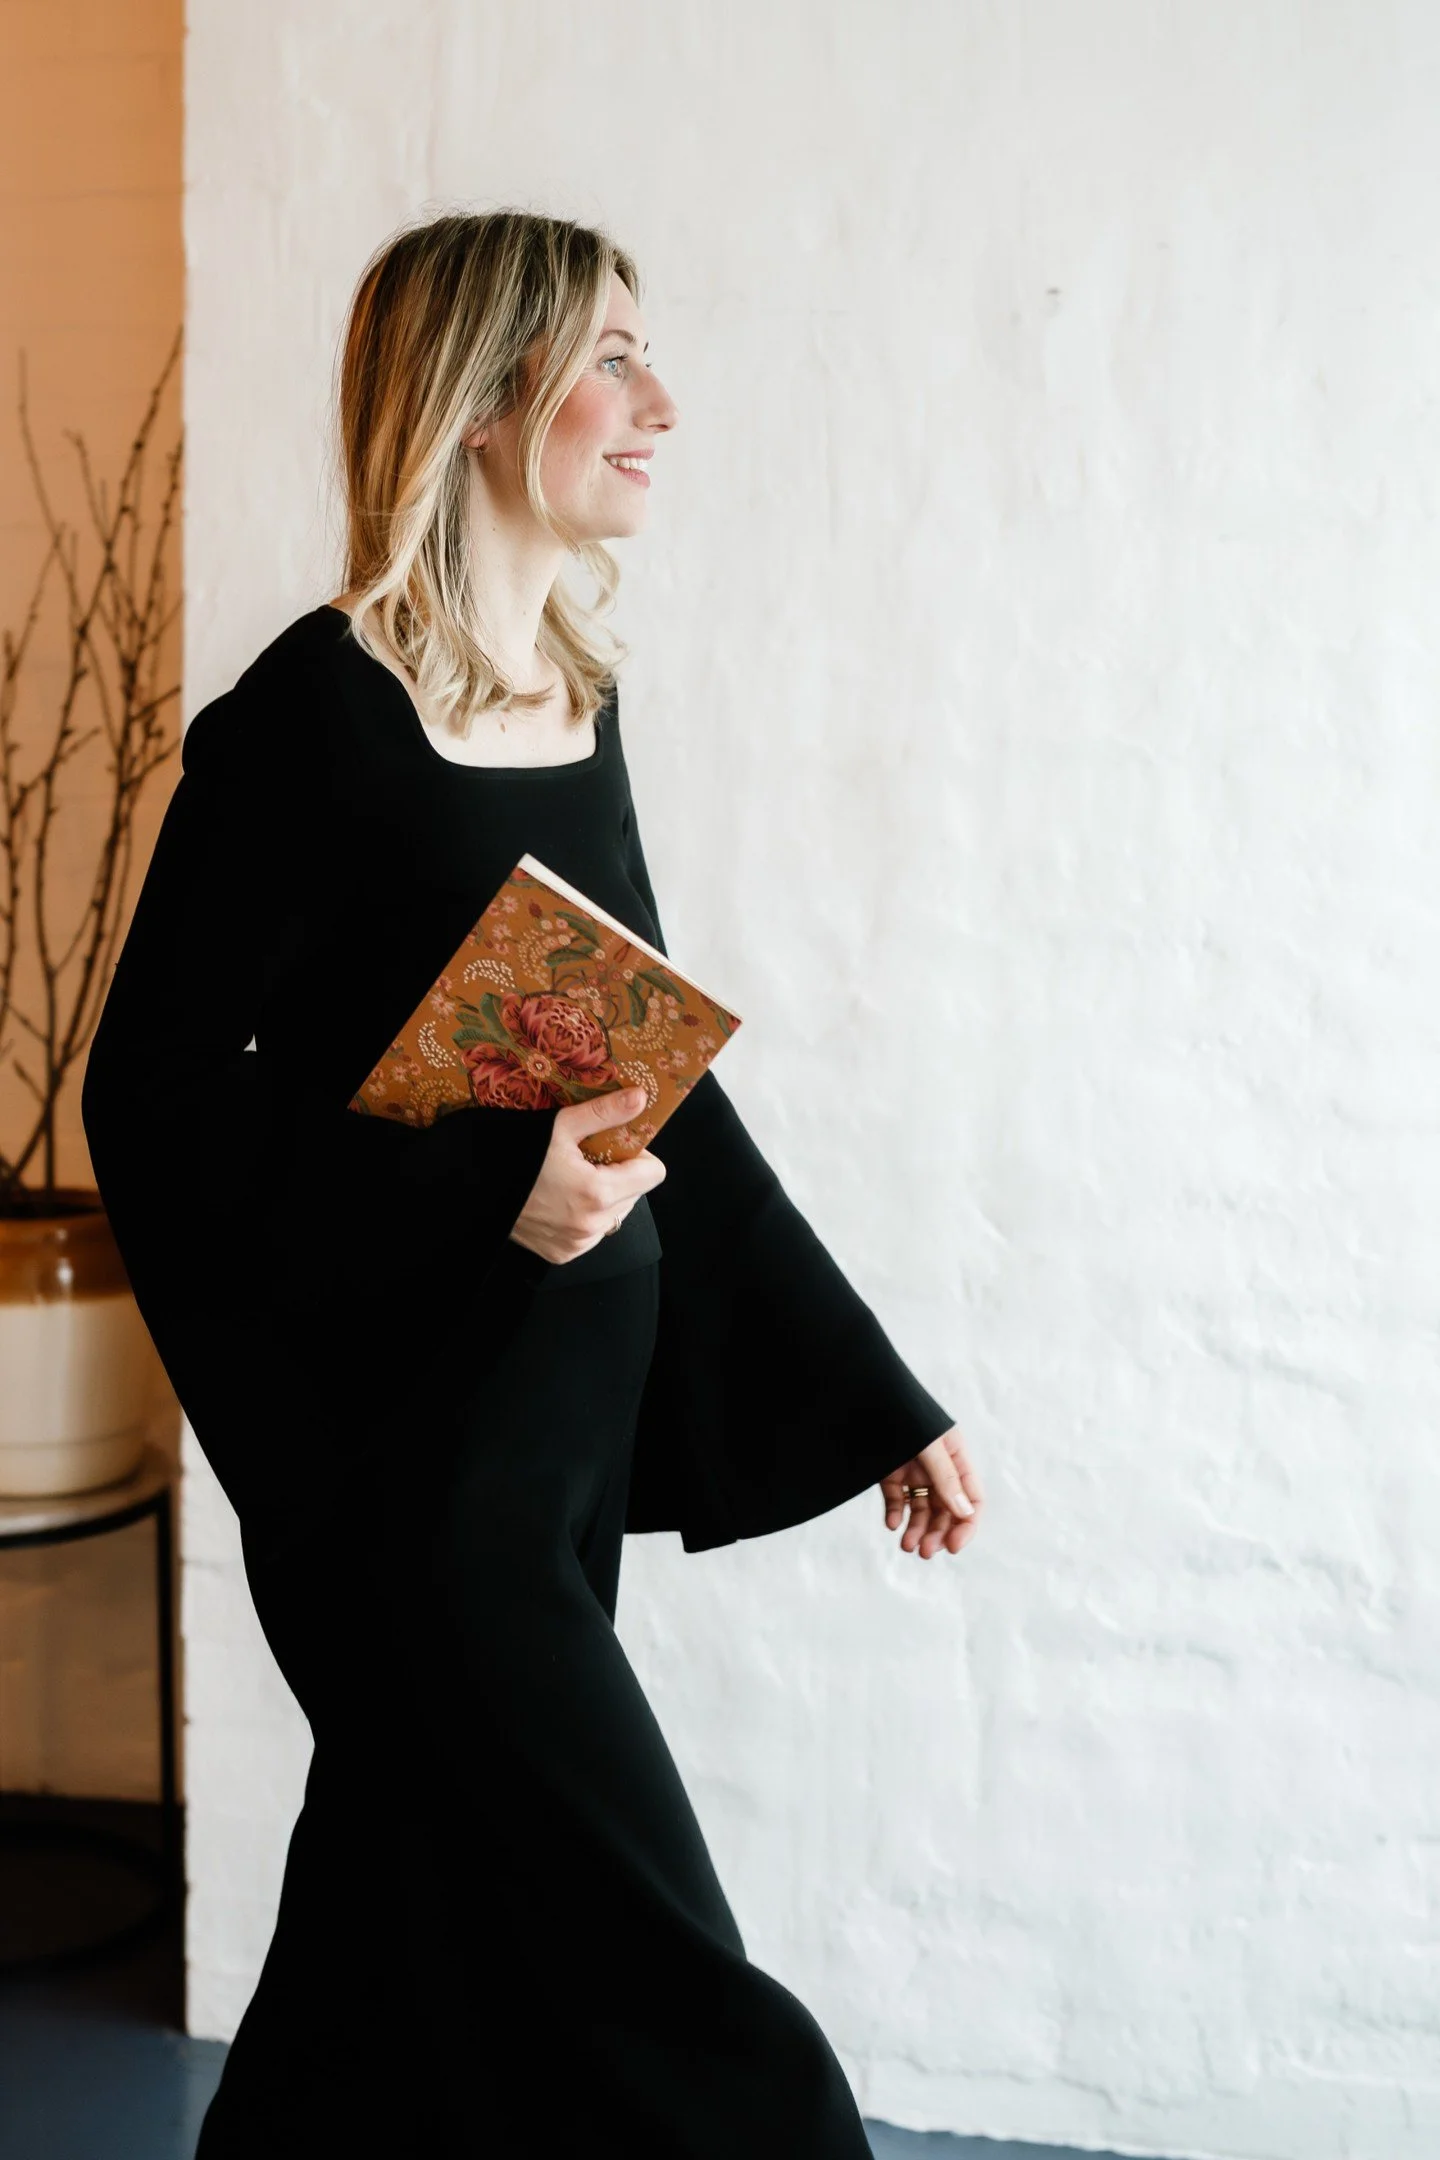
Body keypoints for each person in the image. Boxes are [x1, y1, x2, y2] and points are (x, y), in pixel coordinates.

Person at [81, 207, 984, 2158]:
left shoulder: (577, 698)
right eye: (613, 359)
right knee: (668, 1982)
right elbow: (151, 1103)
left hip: (559, 1425)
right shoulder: (310, 718)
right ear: (483, 402)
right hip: (408, 1457)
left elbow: (652, 1080)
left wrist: (873, 1392)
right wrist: (487, 1188)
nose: (662, 403)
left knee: (401, 1937)